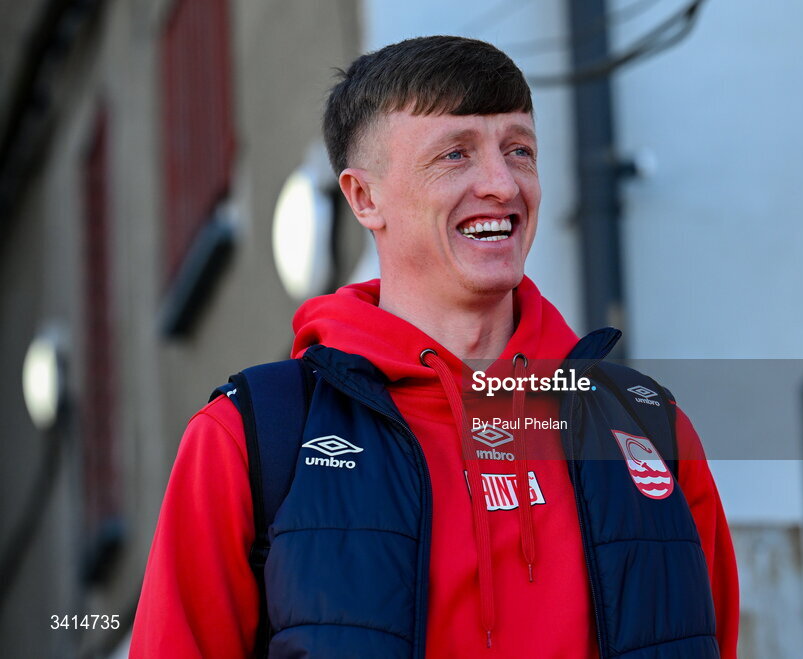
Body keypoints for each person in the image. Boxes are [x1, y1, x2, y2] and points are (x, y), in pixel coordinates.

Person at [131, 36, 738, 658]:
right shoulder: (250, 438)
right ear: (365, 198)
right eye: (455, 155)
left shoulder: (650, 427)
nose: (502, 185)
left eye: (519, 151)